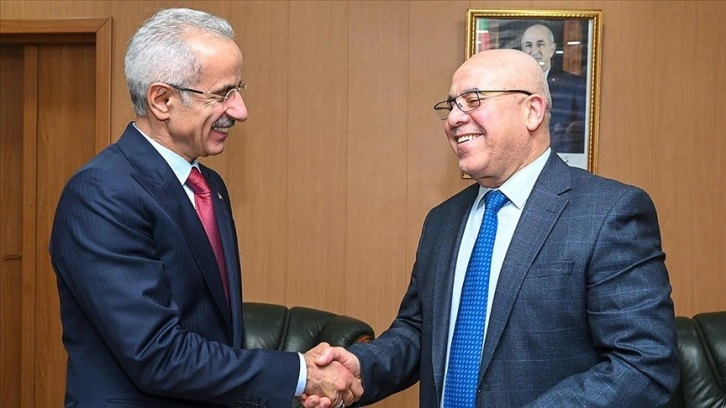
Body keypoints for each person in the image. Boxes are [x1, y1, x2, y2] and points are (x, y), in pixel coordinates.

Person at [303, 49, 679, 407]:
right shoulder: (442, 221)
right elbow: (419, 331)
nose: (453, 118)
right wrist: (362, 367)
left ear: (532, 111)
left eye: (473, 100)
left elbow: (643, 365)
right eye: (451, 105)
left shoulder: (608, 213)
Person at [49, 8, 360, 408]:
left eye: (238, 89)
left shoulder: (209, 186)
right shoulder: (102, 193)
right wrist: (300, 375)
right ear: (162, 100)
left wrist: (289, 384)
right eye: (222, 94)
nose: (240, 110)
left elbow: (215, 333)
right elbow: (157, 354)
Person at [521, 23, 587, 154]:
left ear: (552, 49)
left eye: (540, 44)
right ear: (522, 51)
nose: (534, 51)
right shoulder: (512, 83)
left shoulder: (574, 84)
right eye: (528, 45)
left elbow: (581, 131)